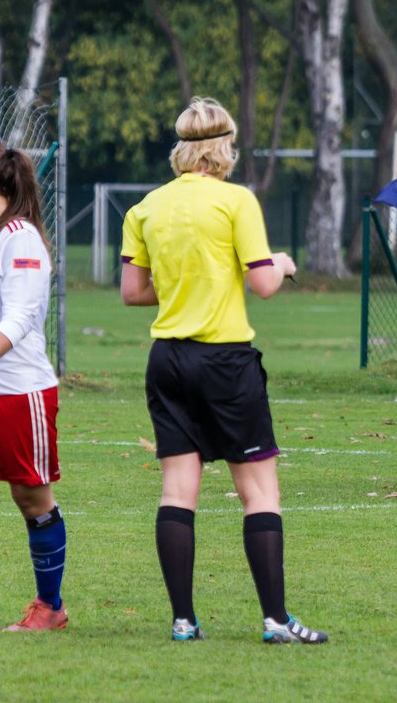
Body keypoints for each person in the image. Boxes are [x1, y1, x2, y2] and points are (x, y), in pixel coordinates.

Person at [120, 97, 326, 643]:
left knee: (177, 489)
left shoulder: (145, 208)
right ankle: (277, 621)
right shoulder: (237, 202)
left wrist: (188, 279)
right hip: (226, 361)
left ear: (182, 149)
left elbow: (133, 292)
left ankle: (184, 621)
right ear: (224, 147)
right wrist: (280, 264)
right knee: (259, 492)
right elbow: (262, 284)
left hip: (167, 359)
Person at [0, 149, 66, 632]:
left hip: (19, 392)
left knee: (32, 499)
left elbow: (20, 318)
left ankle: (50, 607)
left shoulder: (20, 239)